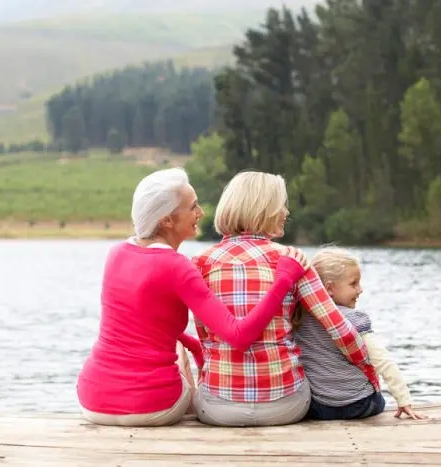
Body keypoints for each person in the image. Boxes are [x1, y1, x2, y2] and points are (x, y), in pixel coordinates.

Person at [76, 168, 308, 427]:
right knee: (176, 348)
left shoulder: (116, 253)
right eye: (193, 207)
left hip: (92, 400)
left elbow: (145, 326)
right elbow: (239, 336)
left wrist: (197, 349)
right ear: (167, 221)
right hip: (151, 406)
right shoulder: (177, 266)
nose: (201, 213)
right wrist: (284, 280)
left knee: (165, 339)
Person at [191, 171, 379, 427]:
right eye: (282, 204)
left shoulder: (200, 264)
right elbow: (340, 331)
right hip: (285, 406)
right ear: (264, 208)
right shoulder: (292, 259)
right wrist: (369, 370)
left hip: (219, 409)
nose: (286, 212)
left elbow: (205, 338)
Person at [294, 246, 426, 420]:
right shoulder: (353, 319)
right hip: (359, 405)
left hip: (320, 408)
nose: (360, 289)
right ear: (329, 288)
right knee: (377, 398)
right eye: (353, 283)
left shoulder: (299, 318)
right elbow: (383, 361)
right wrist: (404, 400)